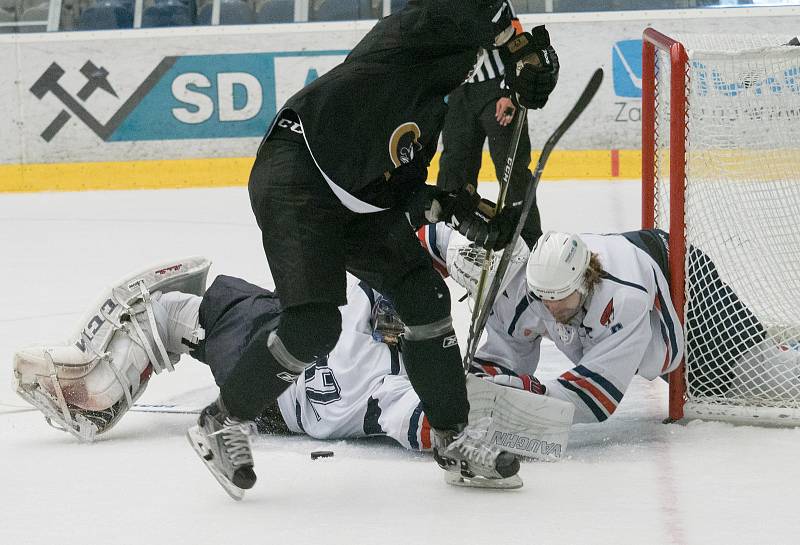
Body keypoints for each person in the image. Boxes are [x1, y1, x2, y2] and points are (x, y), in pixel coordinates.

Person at [198, 0, 559, 496]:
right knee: (313, 326)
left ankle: (453, 439)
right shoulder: (408, 39)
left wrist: (455, 207)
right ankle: (221, 420)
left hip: (359, 198)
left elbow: (400, 189)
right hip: (296, 176)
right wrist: (520, 48)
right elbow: (471, 11)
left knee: (423, 295)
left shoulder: (434, 105)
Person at [421, 224, 791, 424]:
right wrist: (468, 387)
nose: (549, 309)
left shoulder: (621, 300)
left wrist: (523, 391)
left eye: (559, 300)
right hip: (648, 290)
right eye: (542, 298)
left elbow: (595, 398)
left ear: (584, 282)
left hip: (685, 292)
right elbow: (507, 356)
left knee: (770, 380)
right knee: (720, 386)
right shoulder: (538, 285)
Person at [437, 10, 548, 248]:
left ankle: (529, 242)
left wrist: (510, 91)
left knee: (512, 171)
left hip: (496, 91)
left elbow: (518, 41)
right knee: (454, 170)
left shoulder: (496, 4)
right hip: (458, 92)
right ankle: (453, 242)